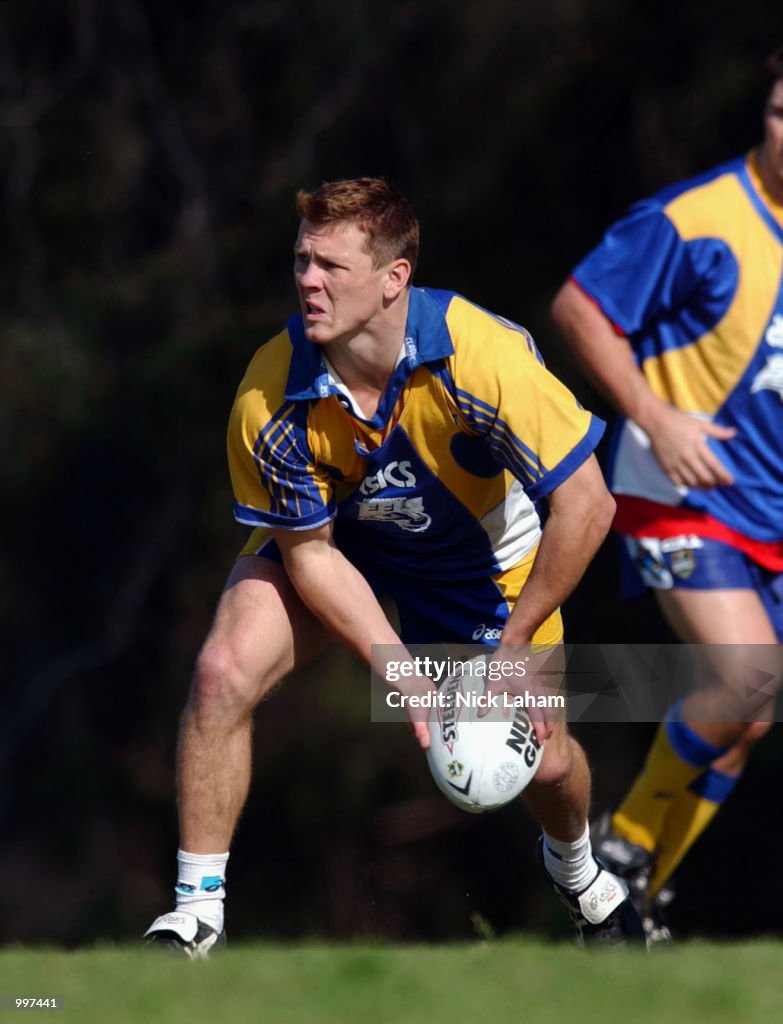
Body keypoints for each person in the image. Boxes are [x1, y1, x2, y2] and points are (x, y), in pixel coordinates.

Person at [144, 176, 644, 957]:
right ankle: (194, 916)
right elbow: (310, 556)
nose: (307, 280)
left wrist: (513, 649)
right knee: (221, 670)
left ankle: (581, 878)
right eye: (302, 261)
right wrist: (398, 669)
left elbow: (588, 507)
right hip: (345, 554)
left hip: (483, 568)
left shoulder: (483, 358)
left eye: (331, 267)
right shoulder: (268, 395)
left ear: (393, 280)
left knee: (545, 765)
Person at [550, 46, 783, 942]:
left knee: (749, 717)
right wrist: (655, 413)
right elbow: (578, 305)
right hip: (675, 490)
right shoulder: (698, 219)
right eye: (773, 109)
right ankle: (620, 855)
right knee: (748, 676)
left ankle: (631, 915)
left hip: (765, 509)